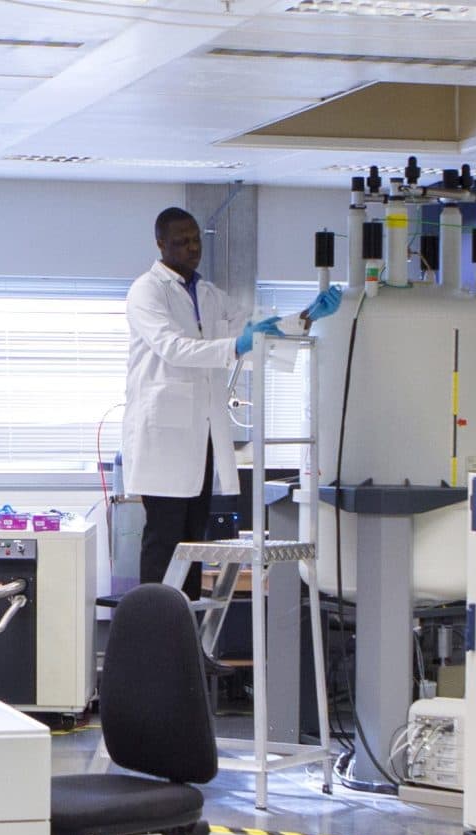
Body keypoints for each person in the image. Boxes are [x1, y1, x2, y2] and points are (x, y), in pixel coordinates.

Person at [123, 208, 339, 597]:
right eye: (181, 241)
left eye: (195, 240)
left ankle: (186, 630)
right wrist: (236, 345)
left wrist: (308, 315)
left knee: (193, 541)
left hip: (201, 435)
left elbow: (258, 332)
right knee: (165, 539)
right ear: (160, 244)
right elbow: (174, 348)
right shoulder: (147, 291)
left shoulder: (208, 294)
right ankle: (155, 627)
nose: (192, 248)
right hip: (163, 439)